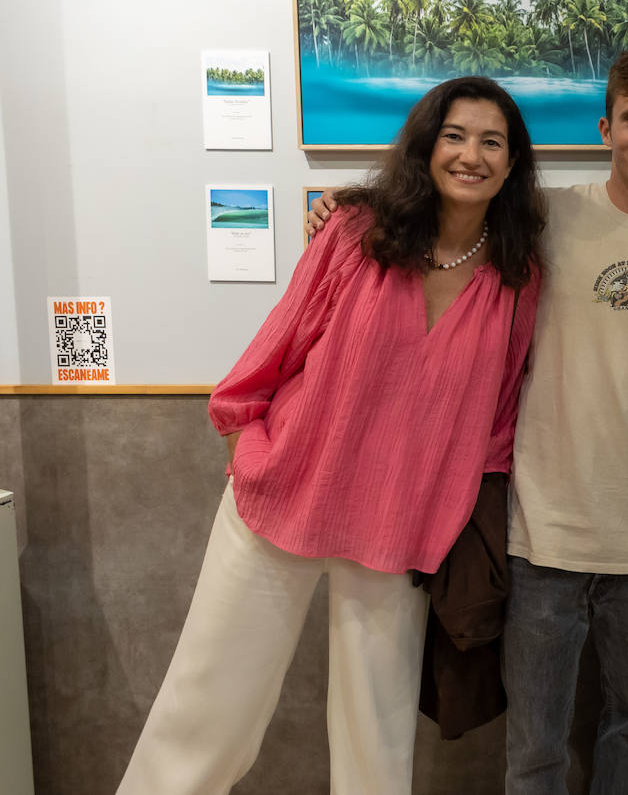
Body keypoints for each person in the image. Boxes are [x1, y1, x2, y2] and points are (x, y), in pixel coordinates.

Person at [309, 48, 628, 794]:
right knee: (534, 748)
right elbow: (444, 203)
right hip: (540, 533)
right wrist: (348, 202)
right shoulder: (545, 215)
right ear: (606, 127)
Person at [119, 76, 545, 795]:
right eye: (455, 135)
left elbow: (498, 420)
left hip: (401, 530)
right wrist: (252, 454)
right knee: (206, 709)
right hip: (282, 499)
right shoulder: (355, 234)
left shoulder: (516, 277)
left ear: (511, 165)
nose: (471, 154)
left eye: (491, 141)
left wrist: (455, 520)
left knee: (375, 743)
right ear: (426, 145)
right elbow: (273, 352)